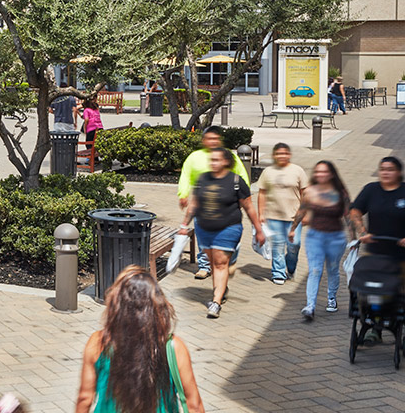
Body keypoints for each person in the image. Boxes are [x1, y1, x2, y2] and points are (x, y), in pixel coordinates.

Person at [74, 265, 204, 413]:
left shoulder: (98, 342)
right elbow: (193, 404)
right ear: (157, 304)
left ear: (118, 303)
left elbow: (85, 398)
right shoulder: (173, 347)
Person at [349, 156, 405, 338]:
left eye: (390, 169)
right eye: (382, 169)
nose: (386, 172)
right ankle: (376, 325)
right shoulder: (371, 190)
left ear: (399, 173)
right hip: (378, 253)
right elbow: (355, 211)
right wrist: (362, 231)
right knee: (378, 288)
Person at [177, 148, 266, 319]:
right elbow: (194, 205)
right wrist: (184, 224)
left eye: (217, 160)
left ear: (226, 162)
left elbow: (248, 207)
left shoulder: (236, 181)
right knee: (213, 264)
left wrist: (258, 230)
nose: (213, 163)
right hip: (204, 228)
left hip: (228, 228)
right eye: (212, 160)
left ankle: (216, 302)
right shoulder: (203, 179)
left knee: (219, 264)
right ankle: (221, 289)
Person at [176, 127, 250, 279]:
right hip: (203, 204)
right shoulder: (194, 157)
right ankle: (204, 266)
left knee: (231, 241)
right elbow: (186, 175)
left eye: (215, 138)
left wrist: (244, 196)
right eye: (209, 138)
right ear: (204, 140)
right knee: (204, 239)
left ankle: (230, 260)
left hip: (227, 205)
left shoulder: (228, 156)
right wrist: (183, 194)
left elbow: (241, 174)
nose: (213, 142)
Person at [290, 160, 353, 321]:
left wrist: (354, 239)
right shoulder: (310, 191)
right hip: (315, 237)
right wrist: (292, 229)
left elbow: (348, 216)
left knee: (332, 269)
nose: (320, 175)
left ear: (331, 174)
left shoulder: (341, 193)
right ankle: (310, 306)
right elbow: (302, 211)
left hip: (336, 237)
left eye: (324, 172)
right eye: (317, 171)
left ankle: (331, 298)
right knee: (315, 270)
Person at [256, 143, 309, 285]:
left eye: (285, 153)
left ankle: (290, 267)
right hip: (273, 216)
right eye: (279, 153)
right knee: (277, 245)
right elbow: (262, 193)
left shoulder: (298, 171)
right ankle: (278, 273)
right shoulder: (268, 171)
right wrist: (261, 213)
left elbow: (305, 194)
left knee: (294, 245)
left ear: (289, 155)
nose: (282, 156)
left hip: (294, 217)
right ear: (274, 155)